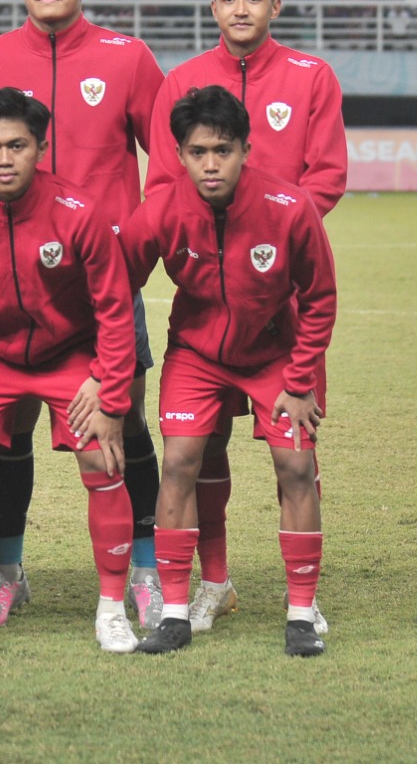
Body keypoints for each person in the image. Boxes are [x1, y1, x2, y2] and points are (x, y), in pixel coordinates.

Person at [0, 0, 167, 631]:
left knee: (124, 421)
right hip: (8, 283)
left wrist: (134, 251)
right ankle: (6, 574)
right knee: (6, 428)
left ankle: (145, 572)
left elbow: (167, 167)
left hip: (105, 284)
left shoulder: (127, 58)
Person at [145, 0, 345, 636]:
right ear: (213, 8)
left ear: (275, 6)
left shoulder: (311, 76)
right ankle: (213, 584)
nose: (240, 9)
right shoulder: (180, 81)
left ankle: (302, 601)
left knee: (295, 457)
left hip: (276, 292)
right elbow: (161, 188)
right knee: (197, 452)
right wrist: (210, 242)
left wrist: (270, 236)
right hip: (205, 303)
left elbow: (328, 175)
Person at [0, 88, 139, 652]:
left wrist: (109, 389)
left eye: (17, 146)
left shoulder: (79, 211)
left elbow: (115, 310)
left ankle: (112, 609)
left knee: (102, 456)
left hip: (69, 353)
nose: (4, 159)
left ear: (41, 149)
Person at [125, 85, 336, 657]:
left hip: (277, 355)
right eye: (198, 152)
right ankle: (174, 614)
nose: (211, 164)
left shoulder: (290, 208)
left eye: (223, 150)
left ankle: (300, 614)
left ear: (246, 148)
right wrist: (105, 367)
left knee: (296, 466)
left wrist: (300, 382)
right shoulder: (161, 210)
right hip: (196, 355)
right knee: (179, 462)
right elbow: (117, 285)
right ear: (179, 154)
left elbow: (320, 298)